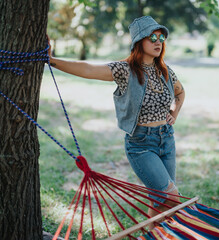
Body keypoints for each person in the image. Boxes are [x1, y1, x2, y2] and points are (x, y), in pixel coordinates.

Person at [47, 16, 185, 223]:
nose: (158, 41)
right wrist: (52, 60)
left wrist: (173, 114)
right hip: (141, 145)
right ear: (139, 42)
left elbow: (180, 94)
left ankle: (152, 235)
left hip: (167, 139)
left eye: (161, 37)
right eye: (152, 37)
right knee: (171, 198)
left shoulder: (165, 71)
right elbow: (88, 69)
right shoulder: (125, 70)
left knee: (161, 202)